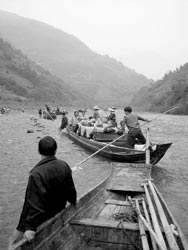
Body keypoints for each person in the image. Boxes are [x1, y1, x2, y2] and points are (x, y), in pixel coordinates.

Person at [9, 136, 77, 248]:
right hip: (59, 211)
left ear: (39, 151)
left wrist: (30, 227)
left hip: (43, 218)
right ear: (55, 150)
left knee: (13, 241)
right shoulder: (64, 165)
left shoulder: (36, 174)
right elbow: (71, 191)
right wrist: (73, 202)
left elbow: (34, 204)